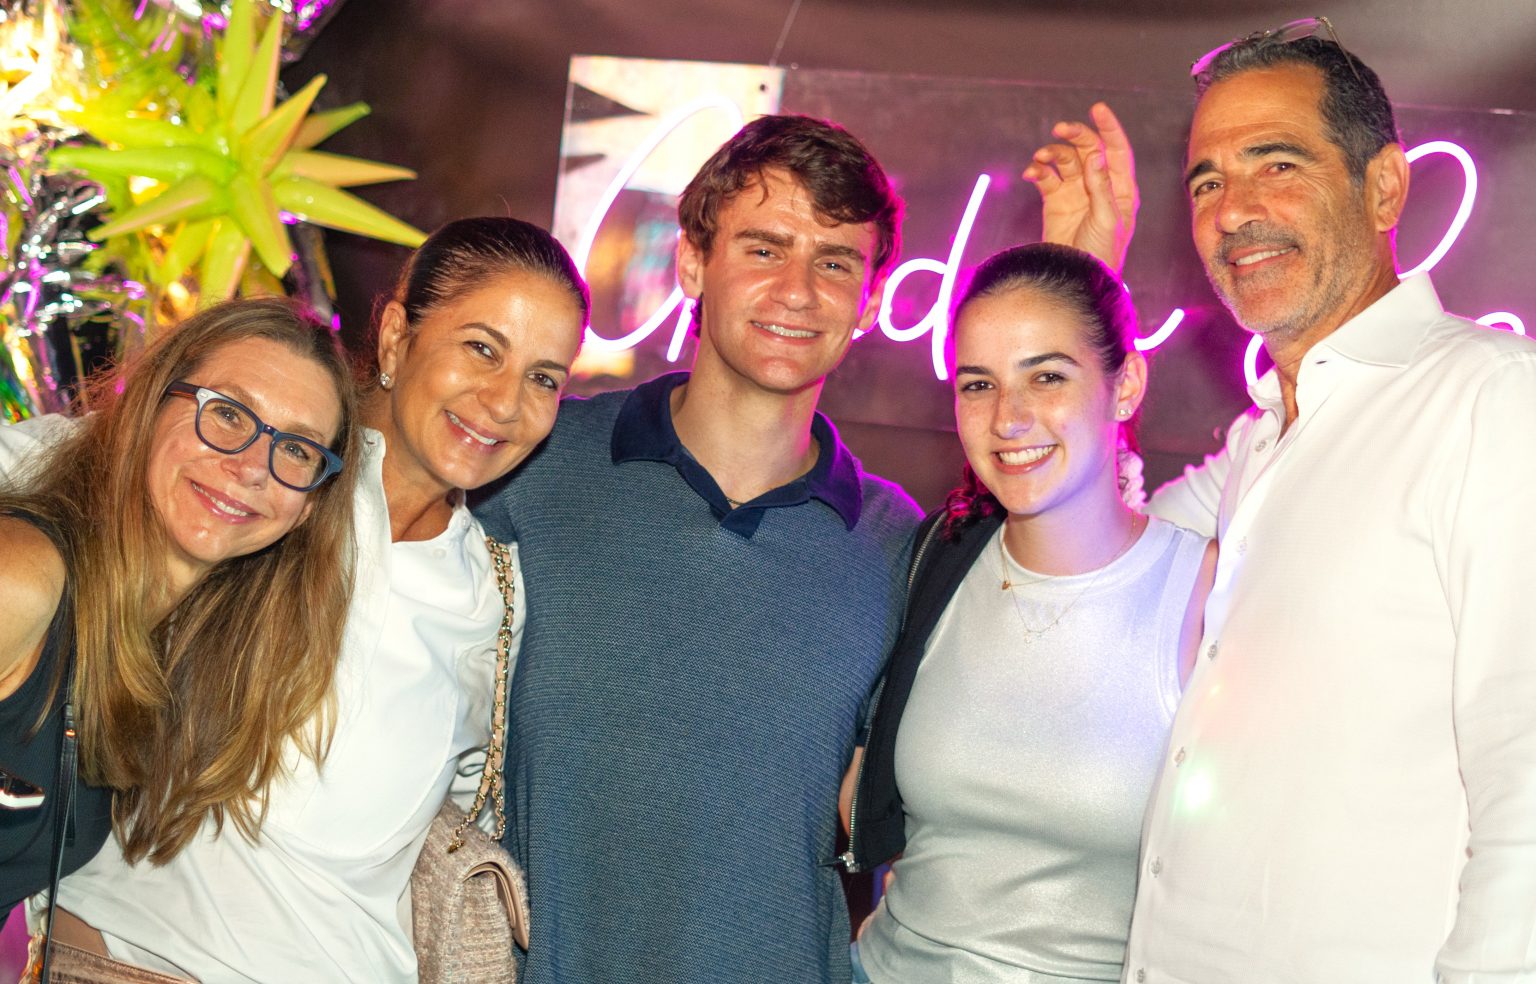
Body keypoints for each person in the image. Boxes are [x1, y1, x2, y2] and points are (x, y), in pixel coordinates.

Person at [5, 217, 590, 982]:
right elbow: (69, 462)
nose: (505, 401)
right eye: (482, 348)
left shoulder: (489, 595)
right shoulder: (254, 475)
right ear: (396, 337)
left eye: (544, 378)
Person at [1121, 21, 1536, 983]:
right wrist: (1078, 276)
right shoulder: (1260, 436)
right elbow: (1099, 551)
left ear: (1383, 186)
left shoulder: (1494, 399)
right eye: (1207, 182)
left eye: (1278, 164)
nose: (1234, 211)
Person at [471, 114, 921, 984]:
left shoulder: (894, 545)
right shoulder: (536, 464)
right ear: (690, 263)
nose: (798, 290)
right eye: (764, 248)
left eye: (836, 262)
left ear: (869, 302)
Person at [841, 242, 1215, 984]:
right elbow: (853, 797)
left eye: (1047, 376)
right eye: (979, 384)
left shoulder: (1207, 593)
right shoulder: (930, 562)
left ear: (1126, 385)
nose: (1008, 418)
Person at [0, 297, 358, 922]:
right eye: (227, 413)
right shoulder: (22, 575)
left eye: (298, 450)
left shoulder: (169, 650)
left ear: (310, 506)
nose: (252, 468)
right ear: (148, 404)